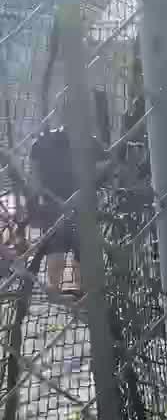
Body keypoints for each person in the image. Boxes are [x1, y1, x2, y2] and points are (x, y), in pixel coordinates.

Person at [29, 125, 80, 296]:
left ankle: (61, 291)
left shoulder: (84, 140)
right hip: (61, 204)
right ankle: (75, 292)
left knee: (60, 248)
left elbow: (35, 181)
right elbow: (35, 179)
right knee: (68, 248)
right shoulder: (41, 144)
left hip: (63, 203)